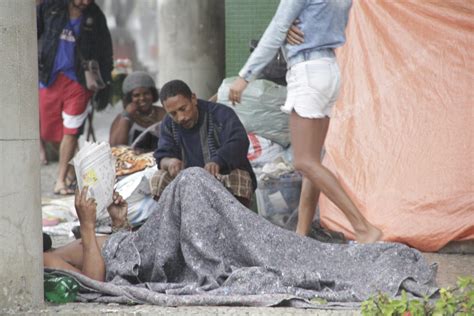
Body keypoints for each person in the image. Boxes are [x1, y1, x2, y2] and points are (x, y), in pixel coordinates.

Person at [43, 168, 437, 303]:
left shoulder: (54, 247)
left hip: (141, 242)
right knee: (190, 183)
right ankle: (215, 259)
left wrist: (119, 222)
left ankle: (263, 241)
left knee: (196, 187)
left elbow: (109, 252)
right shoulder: (43, 261)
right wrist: (91, 227)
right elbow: (95, 279)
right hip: (149, 257)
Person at [228, 0, 382, 243]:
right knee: (313, 162)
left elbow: (276, 29)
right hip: (328, 69)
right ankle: (301, 235)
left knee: (304, 161)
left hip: (307, 71)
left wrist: (244, 77)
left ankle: (363, 228)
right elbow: (319, 19)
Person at [37, 0, 113, 195]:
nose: (85, 2)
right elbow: (31, 34)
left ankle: (61, 180)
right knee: (49, 133)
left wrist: (105, 84)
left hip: (79, 82)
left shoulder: (96, 16)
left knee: (71, 131)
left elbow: (106, 51)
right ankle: (74, 169)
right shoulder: (50, 8)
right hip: (49, 79)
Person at [151, 80, 257, 207]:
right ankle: (174, 223)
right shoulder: (168, 123)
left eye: (183, 109)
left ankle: (238, 225)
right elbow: (162, 156)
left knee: (239, 177)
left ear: (193, 99)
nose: (181, 117)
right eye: (173, 113)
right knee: (159, 178)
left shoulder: (221, 114)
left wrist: (218, 161)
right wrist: (170, 162)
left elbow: (239, 142)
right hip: (187, 183)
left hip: (220, 177)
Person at [109, 71, 166, 152]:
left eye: (146, 93)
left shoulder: (164, 114)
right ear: (129, 98)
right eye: (136, 95)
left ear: (153, 94)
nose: (142, 98)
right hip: (133, 163)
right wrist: (126, 116)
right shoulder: (122, 118)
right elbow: (116, 148)